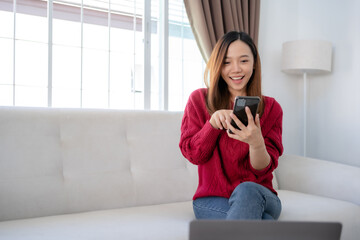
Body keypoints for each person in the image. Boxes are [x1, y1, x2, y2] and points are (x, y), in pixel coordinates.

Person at [179, 31, 283, 220]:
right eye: (227, 62)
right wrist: (212, 125)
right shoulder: (198, 100)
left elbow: (262, 170)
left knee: (247, 190)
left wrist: (256, 143)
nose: (236, 69)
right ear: (218, 65)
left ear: (254, 64)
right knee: (263, 223)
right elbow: (194, 155)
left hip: (261, 195)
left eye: (243, 61)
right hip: (212, 199)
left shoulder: (272, 108)